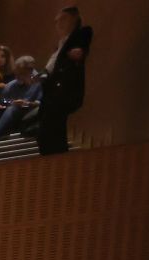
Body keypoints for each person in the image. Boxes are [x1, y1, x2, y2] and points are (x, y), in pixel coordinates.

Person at [37, 5, 92, 156]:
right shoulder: (60, 45)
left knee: (52, 131)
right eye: (57, 21)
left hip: (64, 93)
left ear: (74, 19)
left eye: (63, 19)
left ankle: (58, 162)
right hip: (51, 94)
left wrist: (80, 51)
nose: (59, 24)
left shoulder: (79, 35)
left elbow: (85, 38)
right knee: (46, 132)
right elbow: (51, 68)